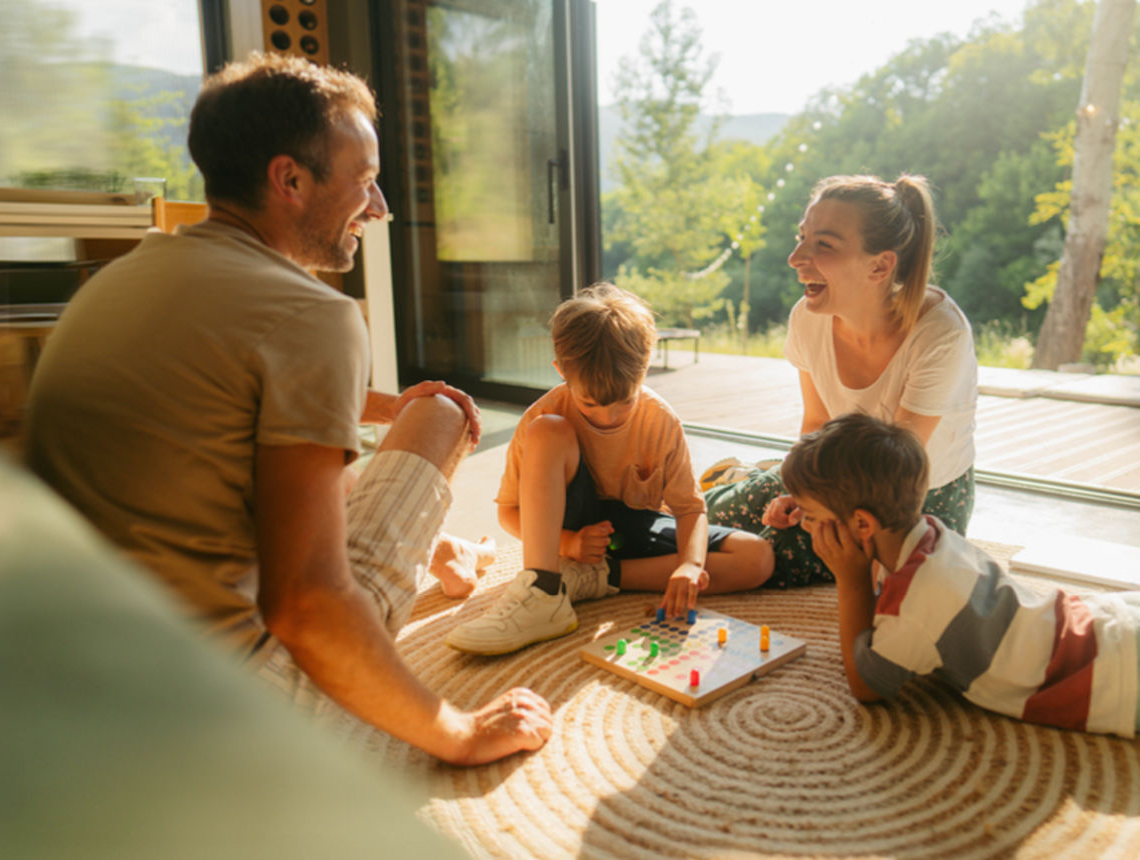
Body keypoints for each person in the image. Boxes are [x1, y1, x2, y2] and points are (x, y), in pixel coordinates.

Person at [25, 53, 551, 765]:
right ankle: (430, 560)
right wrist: (459, 734)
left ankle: (437, 551)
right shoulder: (312, 317)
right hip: (223, 711)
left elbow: (229, 391)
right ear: (290, 180)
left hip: (74, 672)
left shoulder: (121, 279)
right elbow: (306, 607)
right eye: (364, 182)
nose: (380, 207)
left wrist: (377, 405)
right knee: (441, 416)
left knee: (354, 440)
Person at [445, 284, 773, 655]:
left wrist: (689, 565)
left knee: (757, 557)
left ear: (645, 368)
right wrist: (568, 542)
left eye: (624, 402)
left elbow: (689, 509)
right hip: (569, 530)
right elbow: (508, 512)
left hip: (634, 528)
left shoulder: (661, 419)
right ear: (561, 371)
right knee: (548, 431)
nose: (609, 416)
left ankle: (596, 580)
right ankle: (543, 589)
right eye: (589, 404)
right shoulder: (541, 417)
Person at [783, 412, 1139, 737]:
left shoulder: (916, 603)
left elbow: (867, 685)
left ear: (862, 523)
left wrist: (851, 581)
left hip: (1111, 678)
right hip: (1107, 623)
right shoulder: (933, 534)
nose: (804, 523)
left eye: (810, 514)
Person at [705, 174, 978, 589]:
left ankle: (619, 570)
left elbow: (895, 469)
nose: (796, 257)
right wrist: (798, 490)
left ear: (880, 265)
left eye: (823, 245)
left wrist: (814, 506)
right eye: (802, 238)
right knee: (706, 514)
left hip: (908, 499)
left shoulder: (941, 333)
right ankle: (740, 483)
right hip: (835, 474)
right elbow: (815, 423)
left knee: (763, 553)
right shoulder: (807, 317)